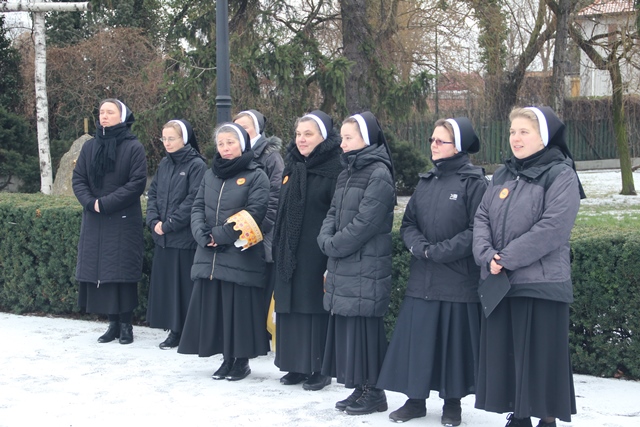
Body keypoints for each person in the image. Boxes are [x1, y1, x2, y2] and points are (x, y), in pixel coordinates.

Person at [473, 107, 586, 427]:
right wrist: (486, 254)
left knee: (541, 359)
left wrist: (504, 258)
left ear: (543, 137)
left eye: (524, 131)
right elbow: (481, 217)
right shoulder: (503, 174)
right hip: (502, 283)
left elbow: (553, 228)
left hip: (541, 285)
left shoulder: (561, 174)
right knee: (510, 357)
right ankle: (519, 415)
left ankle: (546, 420)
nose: (516, 138)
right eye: (512, 131)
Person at [377, 117, 487, 425]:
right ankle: (415, 401)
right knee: (419, 342)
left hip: (457, 280)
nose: (434, 145)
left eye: (441, 141)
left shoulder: (474, 183)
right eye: (432, 140)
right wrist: (420, 247)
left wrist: (439, 252)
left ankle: (452, 404)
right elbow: (409, 223)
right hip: (422, 278)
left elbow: (477, 229)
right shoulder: (426, 181)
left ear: (458, 146)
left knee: (453, 346)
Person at [177, 123, 270, 381]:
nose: (226, 148)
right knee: (218, 309)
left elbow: (255, 211)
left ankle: (241, 361)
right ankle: (226, 359)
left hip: (240, 255)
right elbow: (197, 206)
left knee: (237, 310)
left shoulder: (256, 175)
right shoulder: (210, 174)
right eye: (221, 143)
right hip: (210, 255)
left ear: (242, 144)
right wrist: (201, 234)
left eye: (231, 142)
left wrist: (219, 235)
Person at [317, 112, 396, 415]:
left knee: (364, 330)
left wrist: (334, 245)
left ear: (367, 139)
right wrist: (325, 238)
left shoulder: (379, 173)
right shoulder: (346, 172)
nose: (343, 143)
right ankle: (360, 386)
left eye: (349, 138)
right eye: (343, 137)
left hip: (365, 265)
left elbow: (366, 223)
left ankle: (375, 392)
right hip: (345, 262)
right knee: (350, 329)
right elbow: (332, 213)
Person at [272, 110, 343, 391]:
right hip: (289, 249)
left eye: (308, 134)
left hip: (317, 250)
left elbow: (336, 214)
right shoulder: (293, 165)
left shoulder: (334, 168)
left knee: (313, 306)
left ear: (323, 137)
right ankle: (295, 364)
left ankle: (319, 367)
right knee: (291, 306)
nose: (301, 139)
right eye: (298, 134)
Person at [72, 98, 147, 344]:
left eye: (110, 112)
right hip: (95, 217)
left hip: (123, 218)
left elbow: (137, 183)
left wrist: (105, 203)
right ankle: (112, 324)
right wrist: (90, 202)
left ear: (121, 117)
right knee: (102, 272)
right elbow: (78, 178)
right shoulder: (90, 146)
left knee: (122, 273)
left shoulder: (133, 146)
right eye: (101, 112)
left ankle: (126, 325)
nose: (104, 116)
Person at [145, 119, 207, 349]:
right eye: (164, 138)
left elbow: (194, 200)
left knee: (183, 289)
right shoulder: (164, 163)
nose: (167, 143)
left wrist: (169, 224)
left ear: (184, 139)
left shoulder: (196, 165)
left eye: (172, 138)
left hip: (183, 238)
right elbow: (153, 194)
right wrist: (153, 220)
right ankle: (174, 329)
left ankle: (187, 331)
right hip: (163, 238)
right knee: (169, 289)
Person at [233, 110, 284, 309]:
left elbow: (276, 196)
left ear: (257, 129)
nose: (240, 131)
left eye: (244, 127)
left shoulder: (271, 157)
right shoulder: (235, 154)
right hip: (238, 233)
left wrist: (257, 230)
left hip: (261, 235)